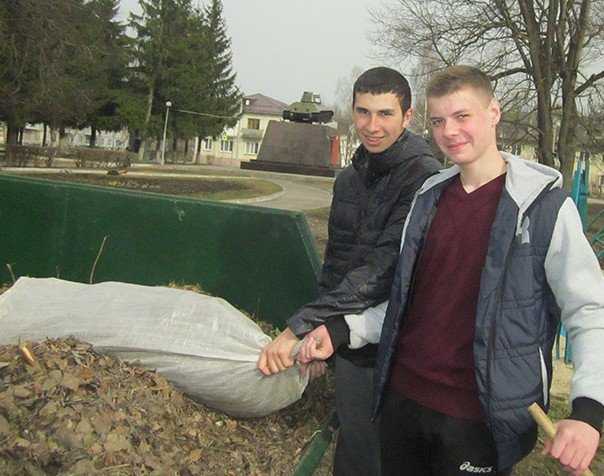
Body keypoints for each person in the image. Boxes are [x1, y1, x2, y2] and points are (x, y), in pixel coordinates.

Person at [300, 65, 604, 476]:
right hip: (403, 404)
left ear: (493, 112)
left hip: (477, 420)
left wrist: (588, 412)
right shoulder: (429, 199)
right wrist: (341, 329)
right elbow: (408, 302)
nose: (450, 132)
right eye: (439, 121)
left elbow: (589, 310)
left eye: (462, 116)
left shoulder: (543, 209)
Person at [257, 66, 441, 475]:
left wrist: (302, 327)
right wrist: (322, 336)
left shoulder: (424, 178)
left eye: (385, 114)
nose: (372, 126)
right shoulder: (350, 178)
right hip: (348, 343)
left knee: (384, 457)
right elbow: (337, 265)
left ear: (408, 116)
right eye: (363, 112)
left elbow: (384, 268)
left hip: (397, 347)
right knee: (354, 452)